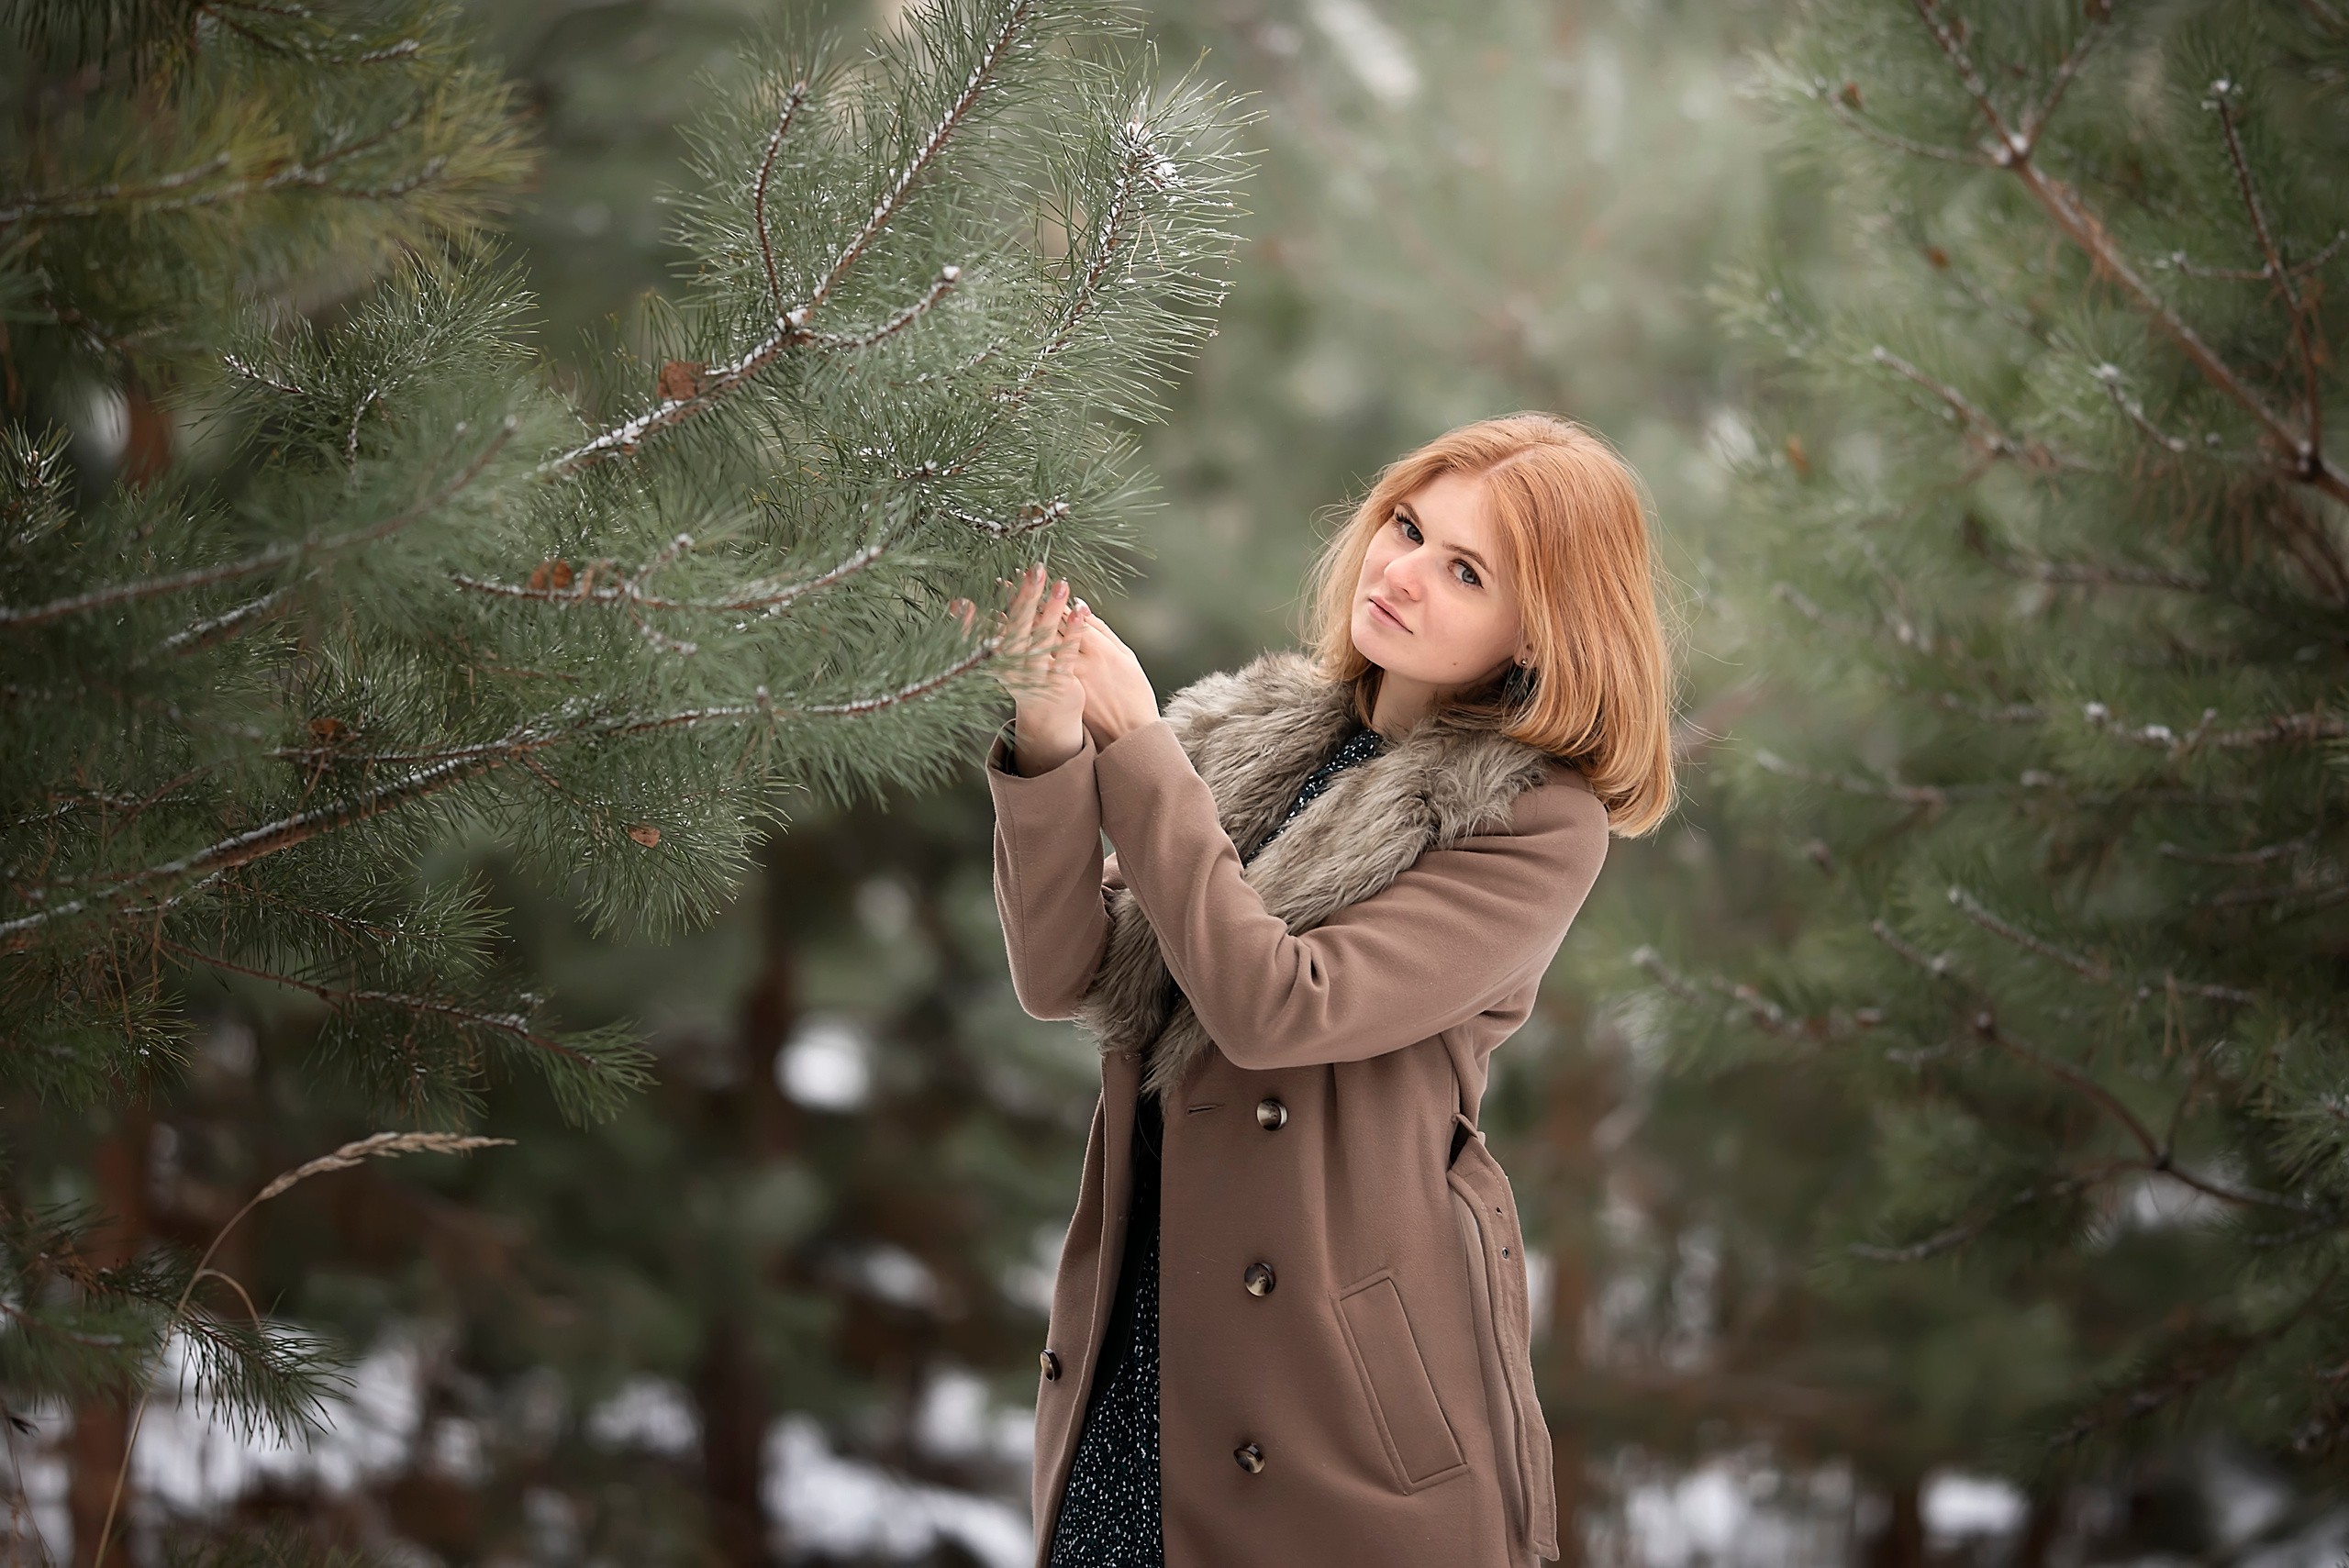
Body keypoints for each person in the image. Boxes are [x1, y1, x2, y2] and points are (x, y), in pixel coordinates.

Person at [974, 413, 1676, 1568]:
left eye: (1466, 570)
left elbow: (1279, 1007)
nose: (1401, 572)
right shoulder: (1254, 733)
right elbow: (1066, 974)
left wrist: (1138, 744)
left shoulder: (1534, 820)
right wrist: (1052, 738)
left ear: (1539, 630)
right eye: (1406, 526)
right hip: (1142, 1339)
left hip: (1328, 1397)